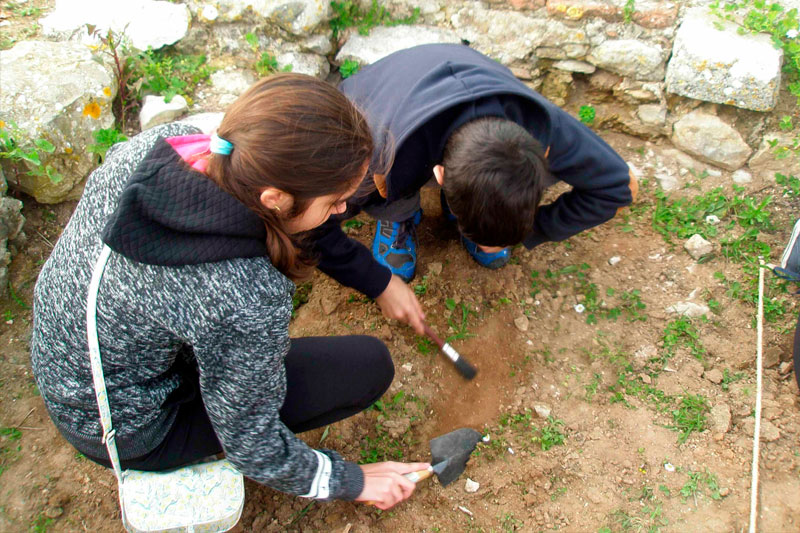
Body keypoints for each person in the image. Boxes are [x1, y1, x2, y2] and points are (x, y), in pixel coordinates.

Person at [30, 74, 427, 511]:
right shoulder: (244, 294)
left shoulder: (174, 143)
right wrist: (351, 480)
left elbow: (297, 223)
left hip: (69, 363)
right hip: (123, 426)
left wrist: (376, 279)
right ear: (275, 198)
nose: (341, 212)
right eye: (335, 202)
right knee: (367, 367)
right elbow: (252, 443)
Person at [312, 43, 637, 334]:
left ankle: (472, 211)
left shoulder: (544, 130)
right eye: (487, 241)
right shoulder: (369, 157)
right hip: (383, 100)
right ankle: (397, 214)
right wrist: (378, 283)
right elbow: (304, 228)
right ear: (439, 174)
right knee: (391, 184)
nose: (492, 249)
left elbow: (622, 187)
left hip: (463, 78)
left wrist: (531, 227)